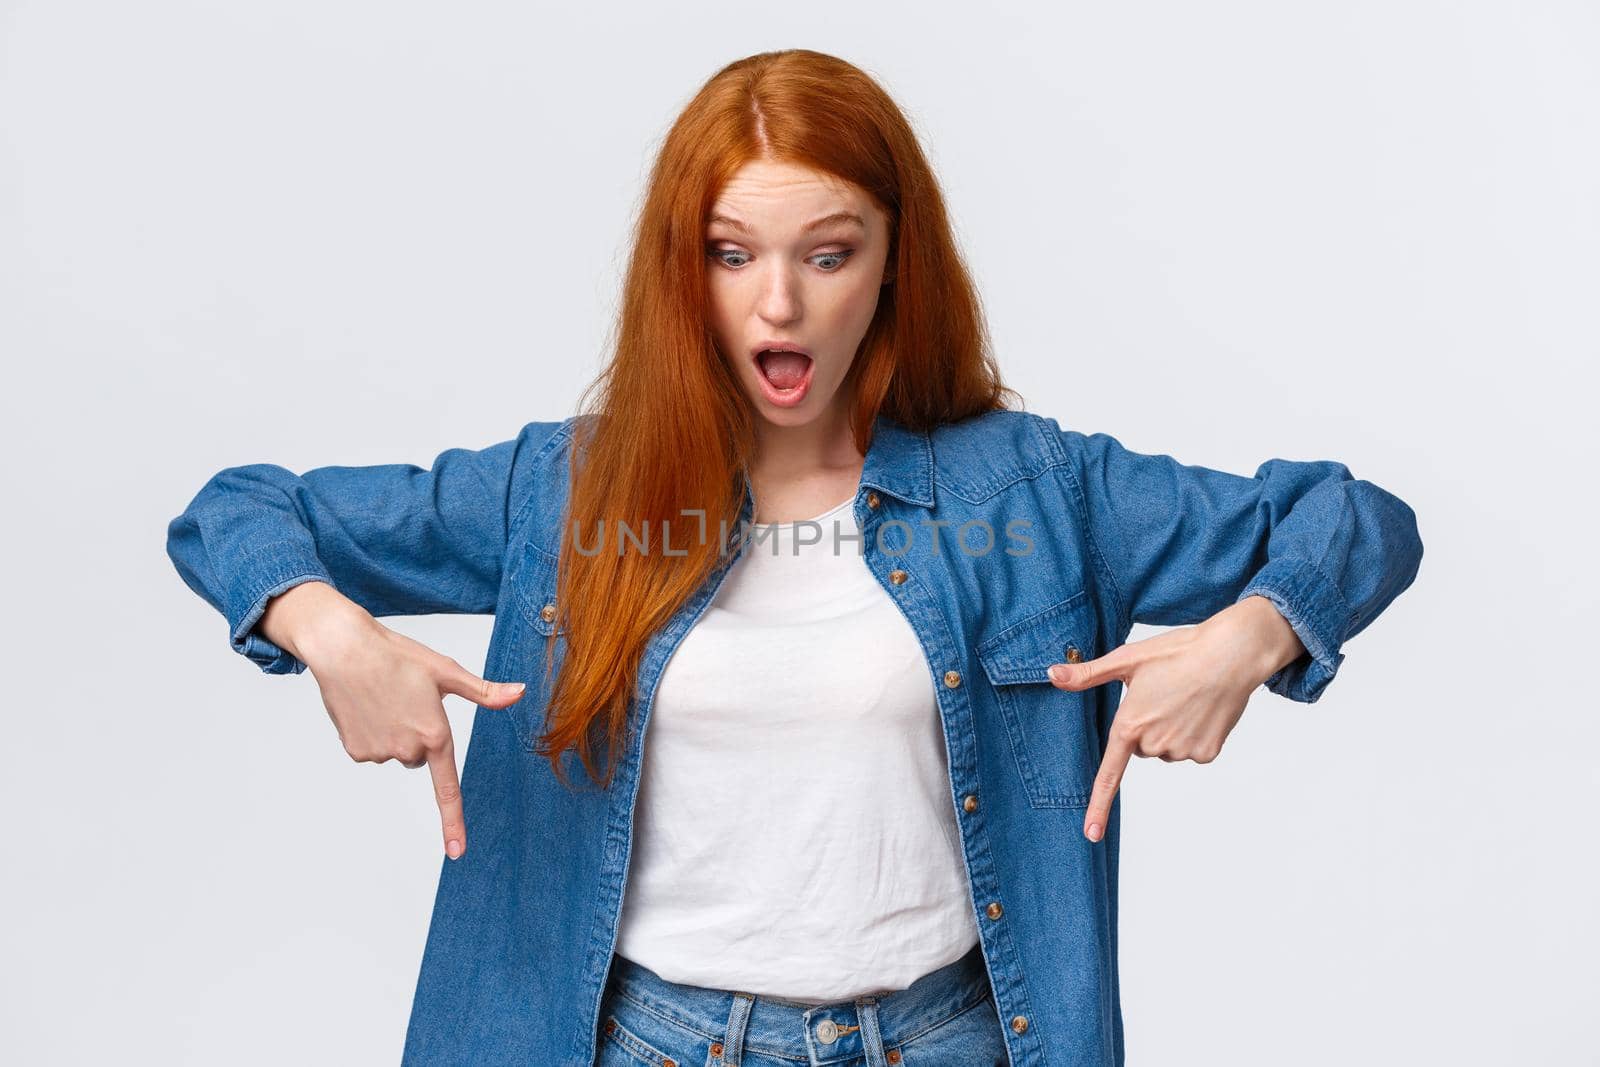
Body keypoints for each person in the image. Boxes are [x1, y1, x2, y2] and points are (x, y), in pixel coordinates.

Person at [165, 49, 1423, 1067]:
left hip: (947, 1041)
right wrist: (326, 629)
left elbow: (1354, 518)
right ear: (683, 270)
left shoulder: (1034, 487)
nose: (779, 304)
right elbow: (239, 508)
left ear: (892, 261)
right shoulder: (563, 488)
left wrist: (1251, 640)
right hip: (642, 1041)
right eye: (732, 254)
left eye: (828, 253)